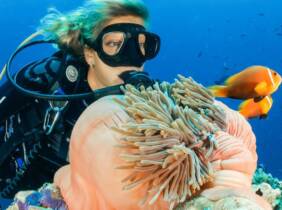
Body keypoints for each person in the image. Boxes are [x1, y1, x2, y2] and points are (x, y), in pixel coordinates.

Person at [0, 0, 160, 199]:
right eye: (114, 44)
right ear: (90, 53)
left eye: (142, 46)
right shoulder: (46, 78)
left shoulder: (148, 104)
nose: (132, 58)